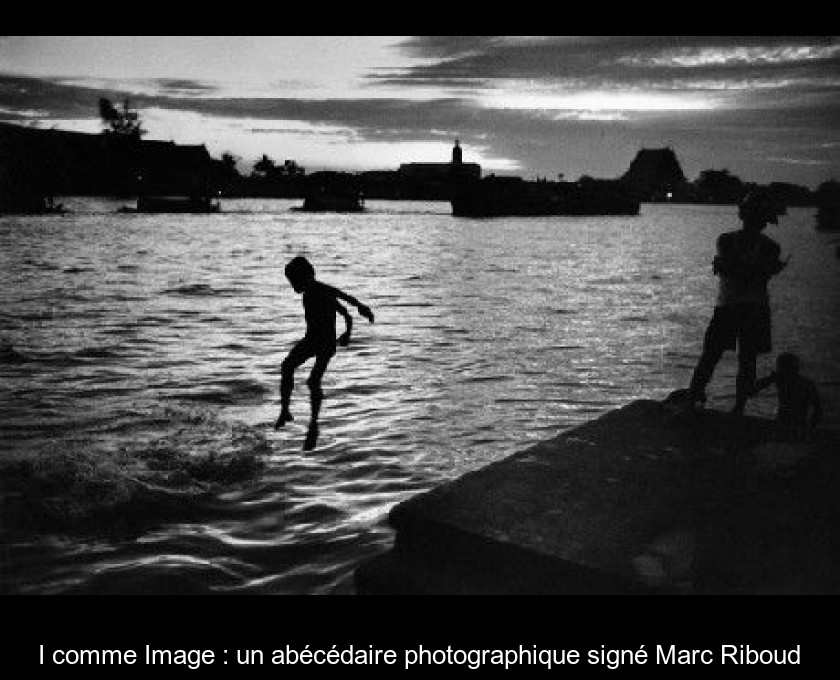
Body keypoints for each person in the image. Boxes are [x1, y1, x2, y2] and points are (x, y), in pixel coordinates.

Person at [687, 189, 789, 414]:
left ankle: (736, 407)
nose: (757, 222)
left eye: (759, 218)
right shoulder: (735, 242)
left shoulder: (758, 246)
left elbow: (736, 270)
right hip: (740, 306)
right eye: (756, 216)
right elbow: (754, 273)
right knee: (715, 354)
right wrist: (755, 271)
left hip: (741, 306)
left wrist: (738, 269)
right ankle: (697, 395)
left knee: (742, 358)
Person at [276, 256, 374, 450]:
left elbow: (345, 298)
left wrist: (362, 309)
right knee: (287, 367)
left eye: (294, 281)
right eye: (291, 282)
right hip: (312, 340)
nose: (293, 285)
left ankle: (313, 424)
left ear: (305, 276)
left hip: (325, 343)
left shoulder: (319, 289)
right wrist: (348, 331)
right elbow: (344, 312)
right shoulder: (310, 292)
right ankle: (286, 412)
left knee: (312, 380)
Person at [751, 352, 822, 441]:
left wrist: (770, 378)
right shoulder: (806, 383)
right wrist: (810, 427)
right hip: (793, 424)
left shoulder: (784, 381)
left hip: (790, 425)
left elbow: (754, 389)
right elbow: (818, 410)